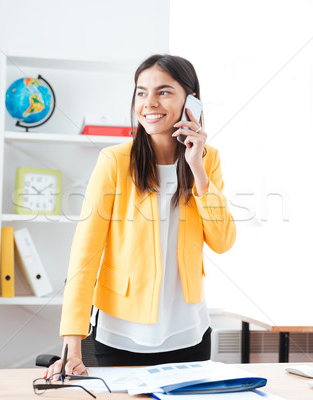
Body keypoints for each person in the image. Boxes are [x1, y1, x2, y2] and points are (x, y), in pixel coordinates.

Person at [48, 54, 236, 378]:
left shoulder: (208, 160)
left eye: (163, 91)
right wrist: (72, 347)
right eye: (141, 92)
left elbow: (222, 242)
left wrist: (198, 170)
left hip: (189, 333)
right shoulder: (115, 161)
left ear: (191, 102)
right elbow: (85, 255)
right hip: (121, 335)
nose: (149, 102)